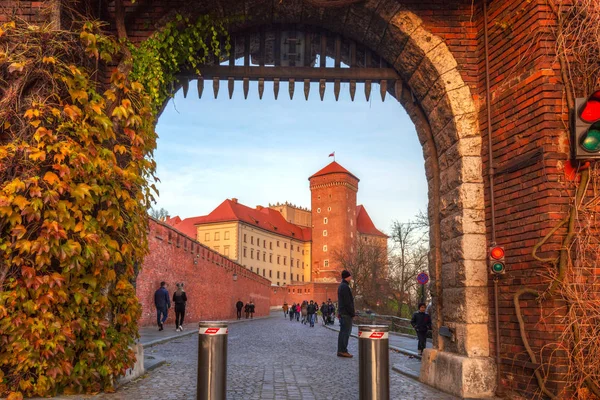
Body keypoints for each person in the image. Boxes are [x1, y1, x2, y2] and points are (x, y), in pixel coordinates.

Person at [337, 270, 355, 357]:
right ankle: (343, 350)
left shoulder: (341, 286)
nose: (351, 278)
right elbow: (348, 302)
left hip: (342, 313)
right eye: (350, 276)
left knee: (342, 332)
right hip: (346, 314)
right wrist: (352, 313)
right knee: (346, 332)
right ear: (347, 277)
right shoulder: (345, 287)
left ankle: (341, 350)